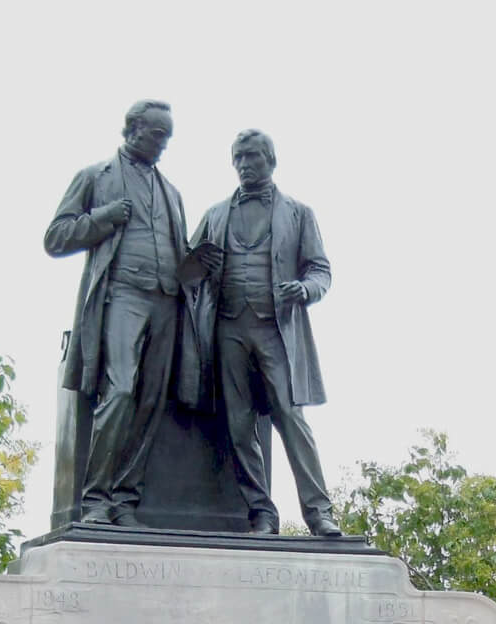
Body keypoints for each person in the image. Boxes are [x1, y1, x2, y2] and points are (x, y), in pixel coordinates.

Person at [44, 100, 215, 526]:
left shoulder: (172, 193)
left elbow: (180, 256)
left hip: (166, 301)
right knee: (119, 391)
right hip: (121, 295)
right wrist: (103, 218)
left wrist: (197, 265)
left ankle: (125, 500)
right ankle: (95, 499)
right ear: (133, 129)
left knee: (150, 402)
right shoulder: (94, 177)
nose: (163, 144)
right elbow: (56, 237)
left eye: (168, 137)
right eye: (158, 134)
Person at [183, 129, 340, 536]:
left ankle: (318, 511)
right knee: (239, 424)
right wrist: (199, 265)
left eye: (251, 156)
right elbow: (186, 269)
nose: (244, 164)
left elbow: (320, 269)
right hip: (228, 328)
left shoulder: (299, 213)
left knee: (291, 418)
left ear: (271, 159)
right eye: (237, 157)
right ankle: (262, 513)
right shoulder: (216, 214)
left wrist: (305, 290)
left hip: (277, 330)